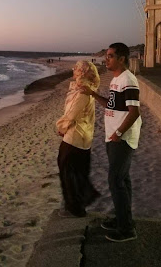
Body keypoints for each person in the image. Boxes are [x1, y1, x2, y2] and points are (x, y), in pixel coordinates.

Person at [80, 43, 141, 243]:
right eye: (106, 56)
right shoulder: (116, 79)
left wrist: (119, 132)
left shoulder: (128, 80)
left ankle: (126, 230)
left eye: (110, 56)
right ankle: (123, 220)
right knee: (123, 180)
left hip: (122, 138)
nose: (106, 60)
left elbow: (134, 112)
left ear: (121, 58)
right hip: (113, 136)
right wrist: (93, 94)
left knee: (115, 181)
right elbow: (111, 105)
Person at [56, 60, 101, 217]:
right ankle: (78, 204)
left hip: (75, 137)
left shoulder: (83, 90)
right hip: (82, 137)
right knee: (76, 173)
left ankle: (75, 208)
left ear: (82, 71)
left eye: (76, 68)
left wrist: (61, 127)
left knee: (68, 172)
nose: (73, 69)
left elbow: (72, 114)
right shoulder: (86, 88)